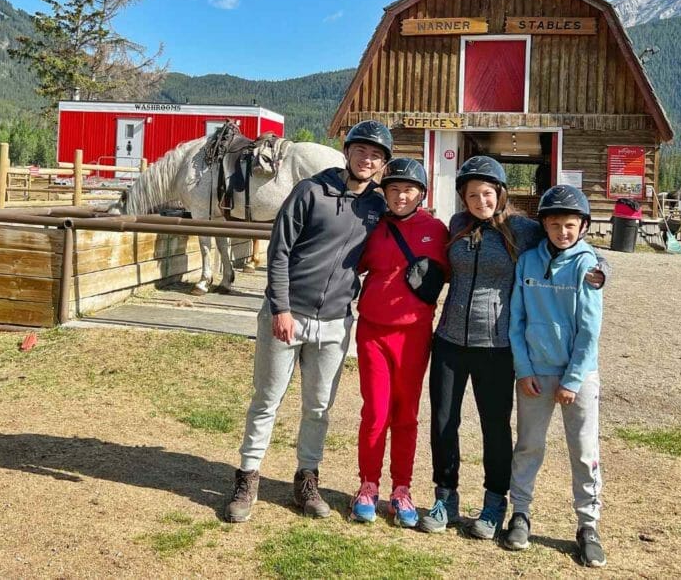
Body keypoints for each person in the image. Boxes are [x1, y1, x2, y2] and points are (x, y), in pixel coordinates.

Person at [419, 157, 608, 541]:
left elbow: (568, 241)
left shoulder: (521, 229)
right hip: (450, 340)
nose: (480, 200)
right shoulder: (457, 225)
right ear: (464, 198)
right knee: (443, 423)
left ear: (500, 194)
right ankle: (446, 497)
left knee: (495, 428)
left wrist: (599, 268)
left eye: (487, 193)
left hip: (497, 345)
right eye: (472, 195)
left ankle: (493, 503)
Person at [224, 120, 391, 523]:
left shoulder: (378, 206)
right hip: (288, 313)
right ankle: (247, 478)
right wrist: (279, 307)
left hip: (335, 321)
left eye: (376, 155)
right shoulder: (310, 191)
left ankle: (307, 479)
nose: (367, 160)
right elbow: (279, 251)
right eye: (362, 151)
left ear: (383, 164)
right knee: (267, 399)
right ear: (347, 152)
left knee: (319, 407)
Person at [504, 184, 606, 568]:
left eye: (570, 225)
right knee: (528, 445)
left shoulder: (588, 266)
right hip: (534, 374)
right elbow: (516, 319)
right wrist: (523, 369)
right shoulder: (528, 262)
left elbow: (590, 329)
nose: (562, 232)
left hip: (576, 377)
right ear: (543, 225)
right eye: (555, 224)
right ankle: (521, 514)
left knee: (583, 451)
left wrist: (573, 379)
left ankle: (589, 525)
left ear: (582, 226)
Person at [349, 158, 448, 528]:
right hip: (373, 331)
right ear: (384, 193)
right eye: (393, 189)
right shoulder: (370, 227)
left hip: (414, 334)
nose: (401, 196)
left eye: (408, 189)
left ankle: (402, 488)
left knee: (406, 414)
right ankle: (368, 485)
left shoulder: (436, 230)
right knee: (375, 411)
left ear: (421, 193)